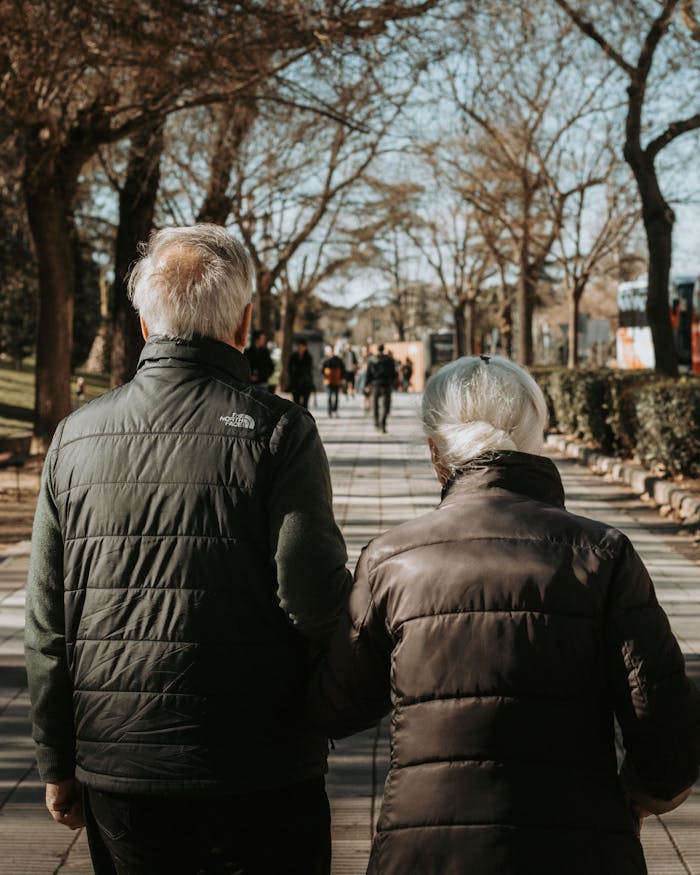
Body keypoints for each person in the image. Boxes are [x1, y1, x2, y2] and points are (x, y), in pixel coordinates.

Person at [24, 224, 351, 875]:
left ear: (145, 323)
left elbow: (46, 624)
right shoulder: (279, 431)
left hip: (119, 762)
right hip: (260, 760)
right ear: (244, 320)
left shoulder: (74, 437)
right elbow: (312, 597)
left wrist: (58, 760)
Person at [309, 354, 700, 875]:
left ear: (435, 453)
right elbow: (667, 737)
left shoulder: (390, 560)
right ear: (537, 438)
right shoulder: (604, 555)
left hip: (423, 853)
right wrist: (635, 798)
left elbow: (339, 706)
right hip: (581, 851)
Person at [366, 344, 396, 433]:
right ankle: (383, 423)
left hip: (375, 384)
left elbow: (368, 374)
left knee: (375, 405)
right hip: (386, 384)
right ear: (384, 349)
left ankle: (376, 423)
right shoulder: (389, 360)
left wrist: (367, 384)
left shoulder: (371, 360)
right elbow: (394, 373)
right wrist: (391, 383)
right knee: (386, 405)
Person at [287, 337, 315, 409]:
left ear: (305, 347)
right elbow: (289, 369)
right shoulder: (293, 357)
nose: (300, 348)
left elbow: (308, 369)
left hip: (306, 383)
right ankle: (297, 419)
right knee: (296, 404)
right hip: (295, 383)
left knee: (305, 404)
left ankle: (304, 419)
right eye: (298, 346)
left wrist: (298, 370)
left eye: (302, 346)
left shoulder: (308, 357)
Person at [322, 346, 344, 418]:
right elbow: (322, 370)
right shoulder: (325, 360)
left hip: (337, 380)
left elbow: (342, 369)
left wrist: (342, 378)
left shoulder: (338, 360)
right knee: (329, 397)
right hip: (328, 380)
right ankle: (329, 411)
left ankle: (335, 410)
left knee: (336, 397)